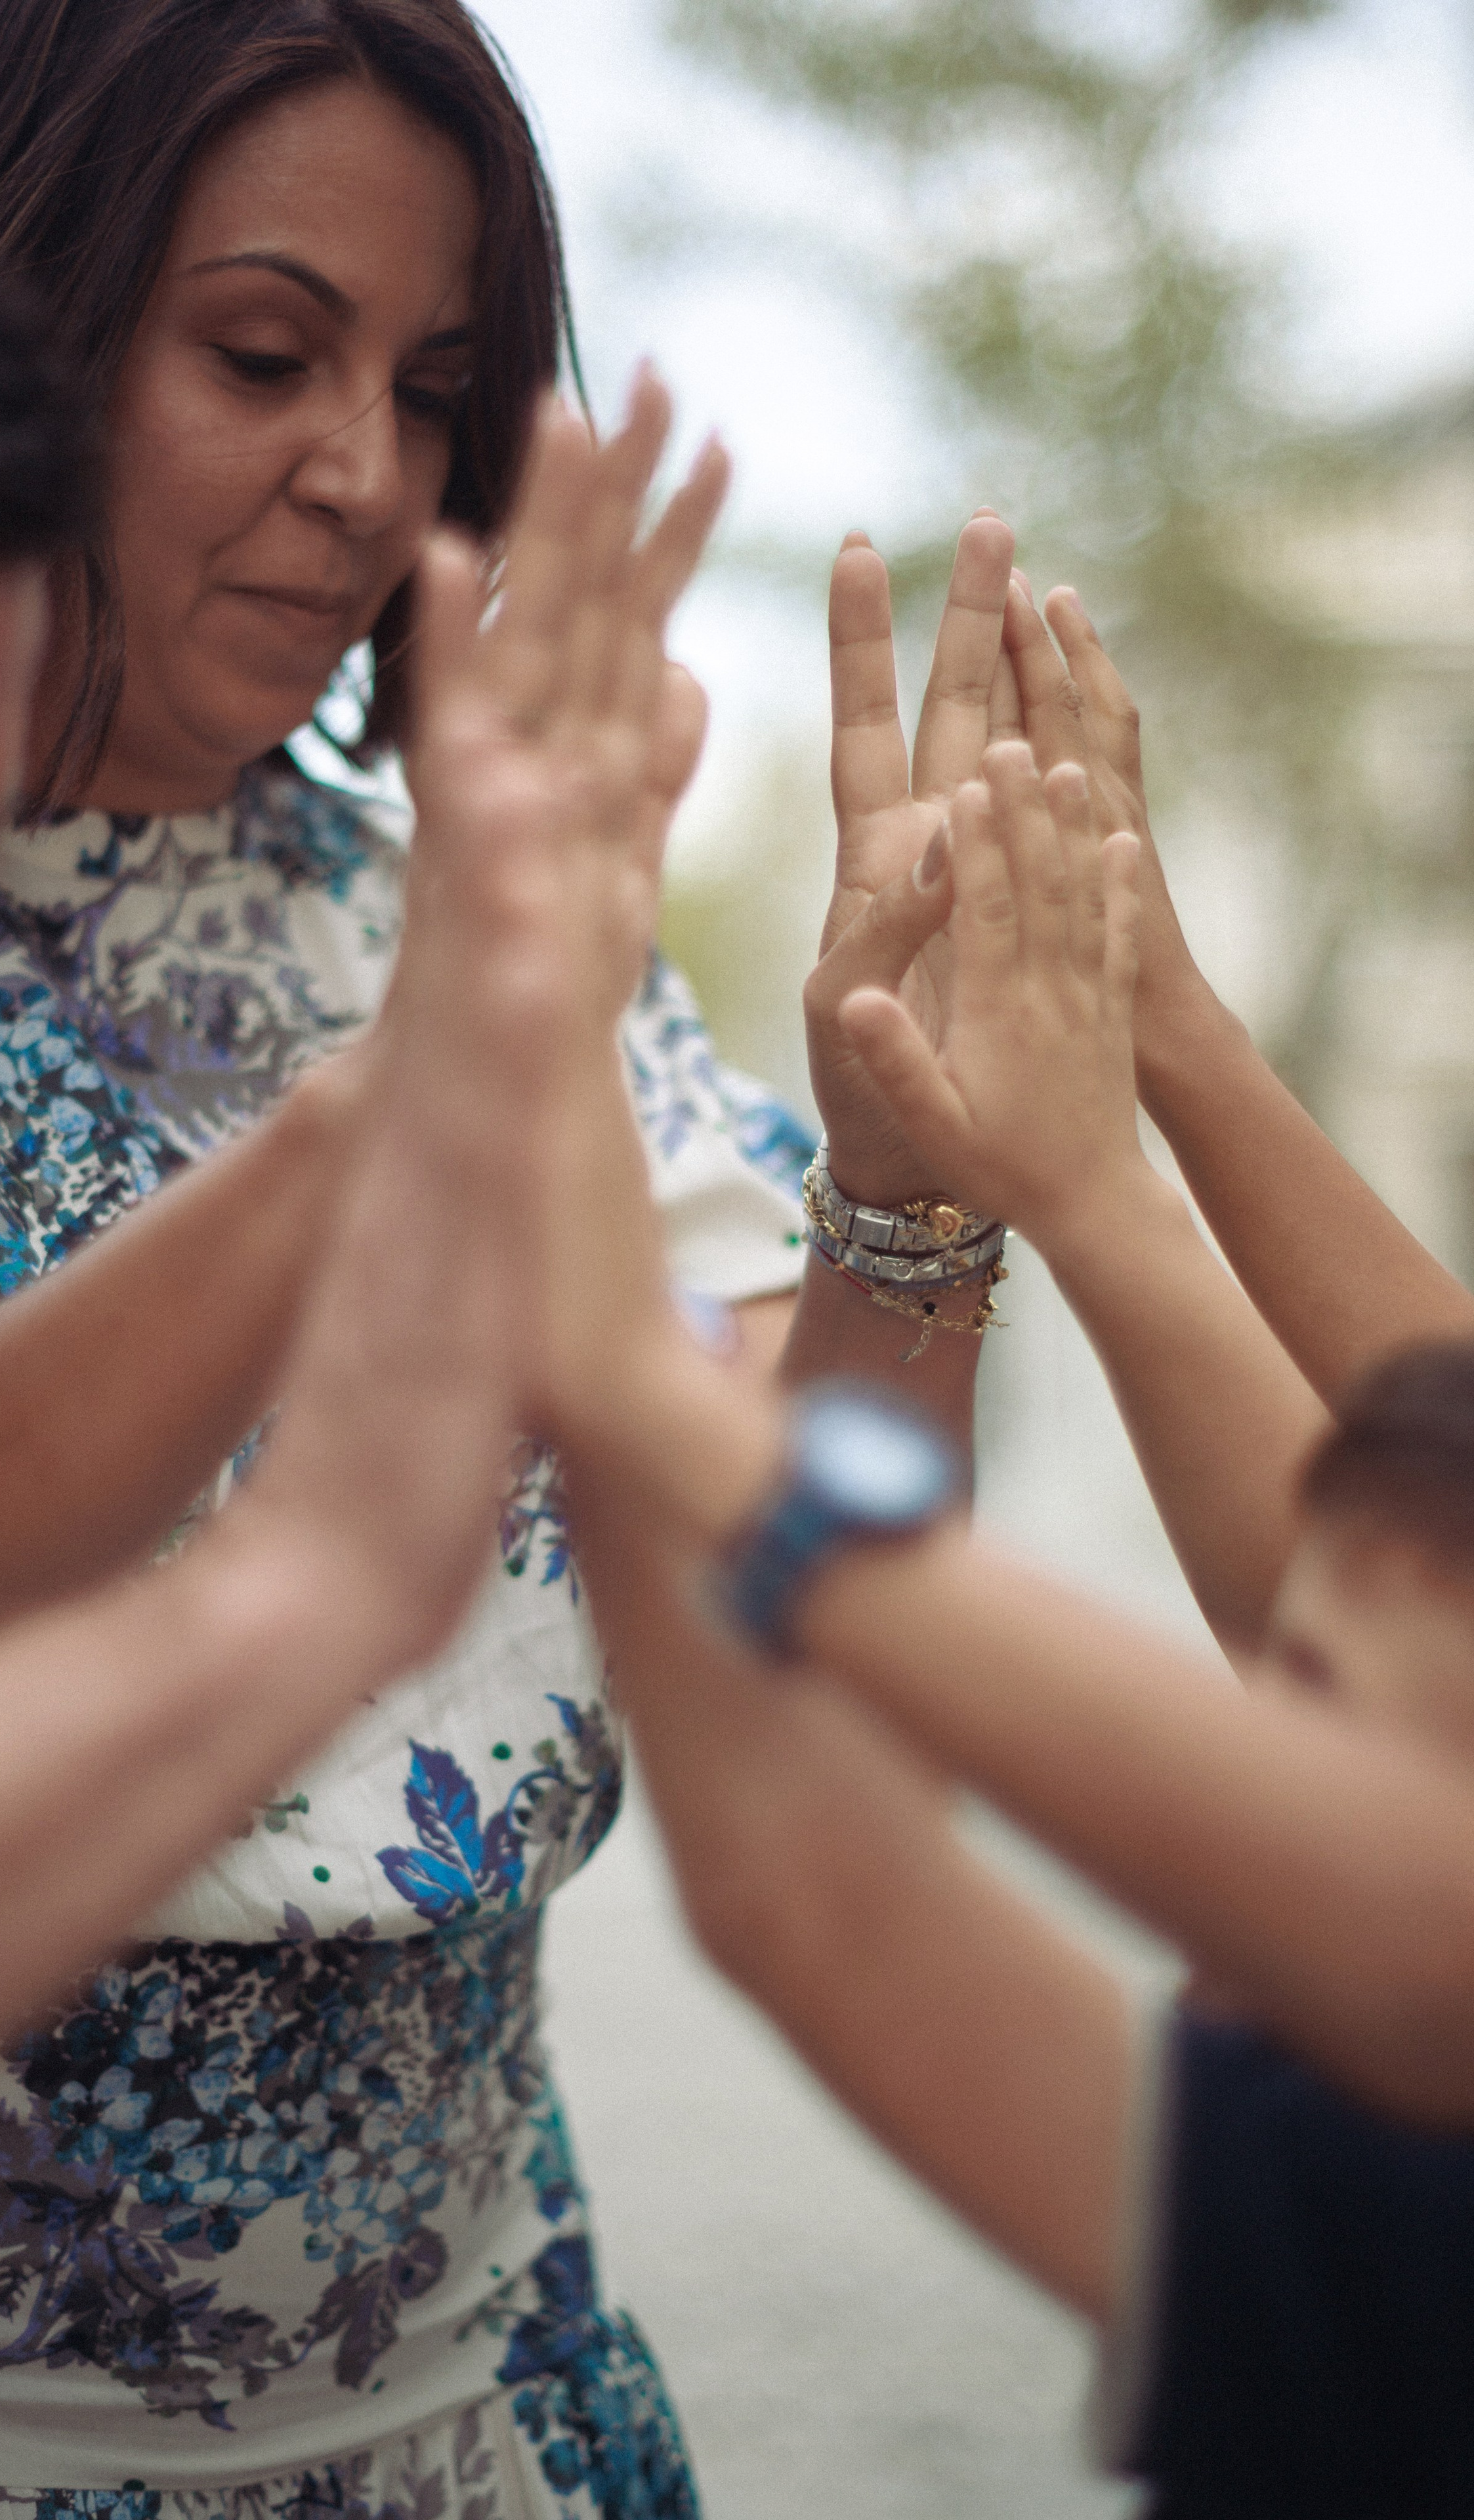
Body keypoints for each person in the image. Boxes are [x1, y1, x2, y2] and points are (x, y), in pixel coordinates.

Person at [0, 7, 849, 2513]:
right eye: (263, 356)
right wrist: (407, 1102)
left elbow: (808, 1568)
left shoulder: (473, 901)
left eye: (438, 391)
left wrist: (933, 1192)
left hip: (499, 2413)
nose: (365, 474)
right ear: (14, 309)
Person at [535, 732, 1474, 2518]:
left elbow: (815, 1882)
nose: (1251, 1772)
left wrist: (623, 1367)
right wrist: (1143, 1076)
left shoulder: (1389, 2191)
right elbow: (1391, 1543)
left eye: (1302, 1707)